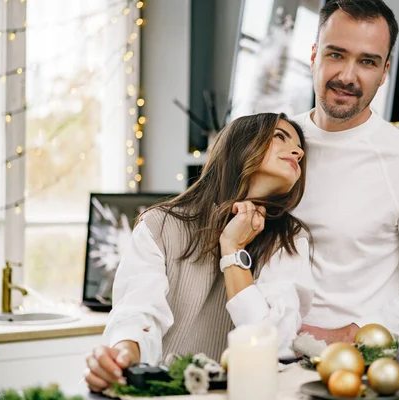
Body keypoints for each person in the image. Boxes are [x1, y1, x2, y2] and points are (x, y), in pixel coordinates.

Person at [84, 113, 313, 392]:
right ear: (241, 144)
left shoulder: (289, 239)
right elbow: (138, 312)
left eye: (300, 148)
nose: (298, 152)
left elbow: (274, 341)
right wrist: (122, 354)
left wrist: (233, 252)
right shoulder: (160, 225)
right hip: (166, 394)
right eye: (280, 136)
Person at [293, 0, 399, 343]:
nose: (347, 76)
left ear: (384, 72)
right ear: (313, 55)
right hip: (260, 358)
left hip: (359, 371)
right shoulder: (269, 146)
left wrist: (352, 335)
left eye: (366, 61)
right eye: (336, 54)